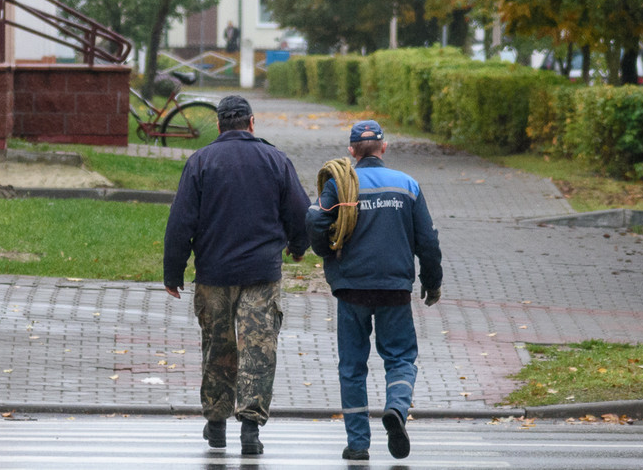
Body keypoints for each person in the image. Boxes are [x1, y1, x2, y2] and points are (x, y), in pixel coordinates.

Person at [164, 94, 310, 456]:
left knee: (218, 347)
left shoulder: (200, 161)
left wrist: (173, 271)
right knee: (258, 350)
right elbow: (300, 210)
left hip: (213, 274)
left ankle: (216, 424)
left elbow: (181, 221)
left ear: (218, 125)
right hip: (261, 273)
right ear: (251, 123)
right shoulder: (275, 159)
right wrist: (298, 245)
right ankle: (250, 429)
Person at [307, 120, 443, 461]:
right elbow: (427, 242)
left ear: (352, 151)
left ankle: (357, 444)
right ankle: (396, 408)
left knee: (352, 367)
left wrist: (327, 252)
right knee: (400, 358)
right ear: (384, 148)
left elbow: (314, 220)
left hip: (351, 288)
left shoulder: (342, 185)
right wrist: (432, 281)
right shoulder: (407, 186)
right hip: (394, 289)